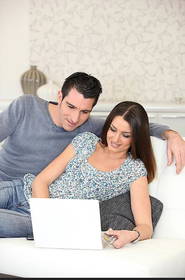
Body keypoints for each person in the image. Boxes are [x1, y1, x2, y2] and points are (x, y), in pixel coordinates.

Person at [0, 72, 184, 238]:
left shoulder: (128, 165)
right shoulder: (82, 138)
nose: (75, 118)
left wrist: (170, 134)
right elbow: (40, 181)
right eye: (70, 106)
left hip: (40, 213)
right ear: (59, 97)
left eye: (84, 111)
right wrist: (47, 218)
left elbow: (133, 125)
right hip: (18, 188)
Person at [0, 101, 157, 248]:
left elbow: (146, 226)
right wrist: (46, 215)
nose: (115, 139)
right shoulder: (86, 141)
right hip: (20, 191)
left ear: (136, 137)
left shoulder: (135, 170)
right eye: (113, 130)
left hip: (37, 220)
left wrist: (131, 235)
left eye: (126, 135)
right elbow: (41, 180)